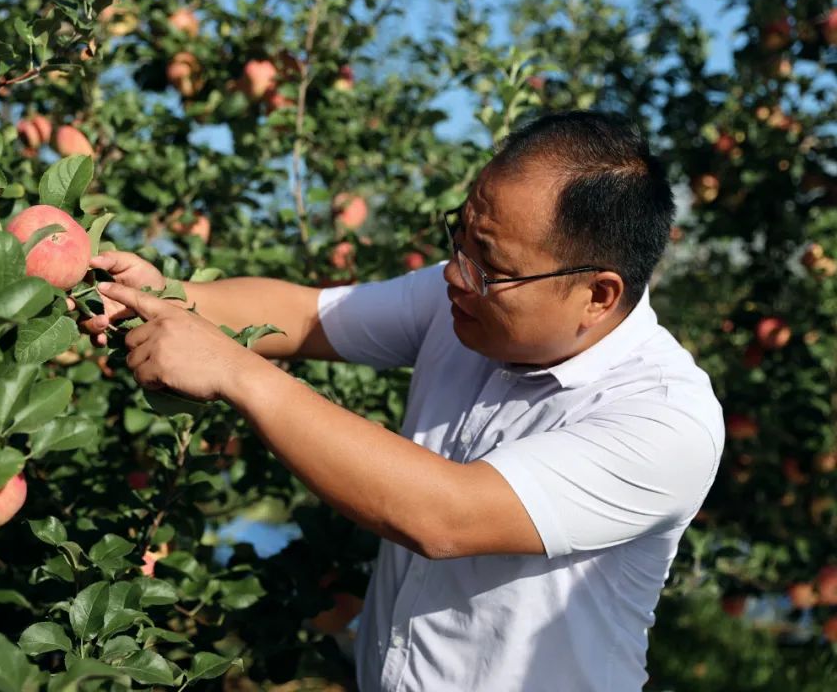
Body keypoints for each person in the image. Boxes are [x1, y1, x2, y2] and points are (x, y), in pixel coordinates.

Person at [69, 110, 724, 691]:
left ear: (598, 295)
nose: (453, 271)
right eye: (459, 235)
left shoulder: (664, 421)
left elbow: (444, 515)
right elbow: (306, 317)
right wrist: (171, 297)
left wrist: (238, 372)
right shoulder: (466, 300)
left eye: (487, 262)